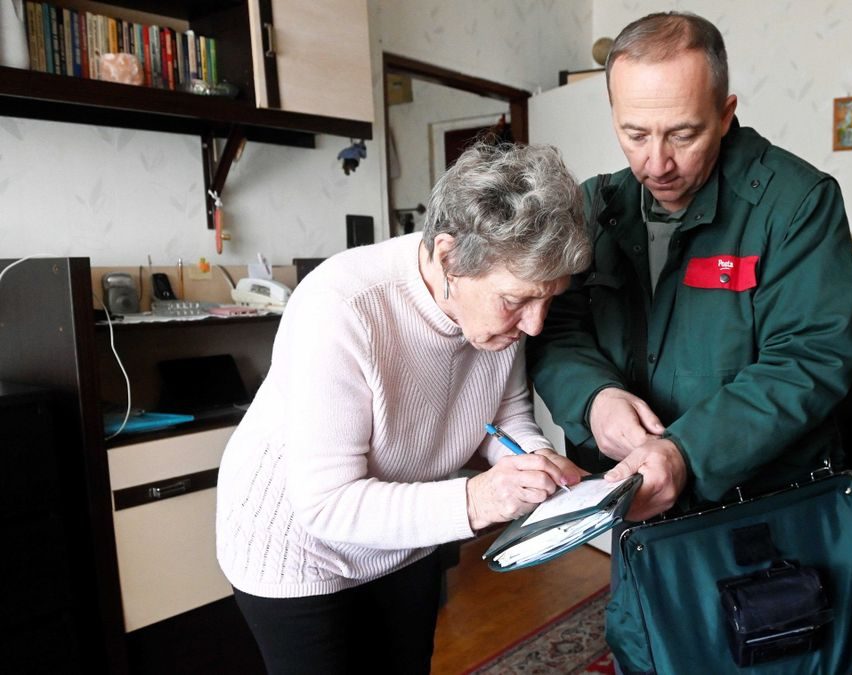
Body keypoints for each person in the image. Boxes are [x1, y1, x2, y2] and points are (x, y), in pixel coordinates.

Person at [216, 142, 590, 674]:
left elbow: (500, 417)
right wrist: (479, 500)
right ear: (447, 257)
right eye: (517, 301)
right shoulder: (342, 307)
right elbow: (325, 505)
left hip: (404, 533)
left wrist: (531, 460)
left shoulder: (502, 301)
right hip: (299, 549)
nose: (534, 324)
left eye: (548, 300)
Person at [527, 11, 852, 527]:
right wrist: (594, 400)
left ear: (725, 114)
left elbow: (809, 357)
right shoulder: (593, 206)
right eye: (634, 134)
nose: (656, 163)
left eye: (683, 135)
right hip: (634, 503)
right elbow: (558, 328)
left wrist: (687, 451)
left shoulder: (798, 203)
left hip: (765, 506)